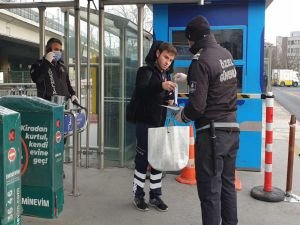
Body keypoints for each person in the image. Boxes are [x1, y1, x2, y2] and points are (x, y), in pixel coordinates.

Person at [175, 15, 240, 225]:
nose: (188, 44)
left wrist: (181, 115)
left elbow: (197, 107)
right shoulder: (225, 54)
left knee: (210, 192)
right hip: (231, 130)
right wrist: (190, 79)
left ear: (195, 38)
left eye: (189, 40)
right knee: (227, 185)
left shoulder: (200, 61)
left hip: (212, 135)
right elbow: (218, 81)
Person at [132, 41, 177, 212]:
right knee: (142, 161)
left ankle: (155, 196)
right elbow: (142, 90)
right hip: (144, 123)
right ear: (158, 54)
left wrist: (169, 99)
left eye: (171, 60)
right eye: (166, 57)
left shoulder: (165, 76)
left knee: (158, 161)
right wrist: (161, 86)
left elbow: (158, 97)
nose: (167, 62)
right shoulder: (145, 71)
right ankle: (138, 195)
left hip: (159, 124)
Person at [30, 37, 79, 104]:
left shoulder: (62, 66)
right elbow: (37, 79)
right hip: (47, 106)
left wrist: (73, 94)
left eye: (60, 50)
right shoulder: (38, 65)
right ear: (48, 50)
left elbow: (67, 83)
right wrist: (46, 63)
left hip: (64, 105)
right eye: (56, 49)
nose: (59, 52)